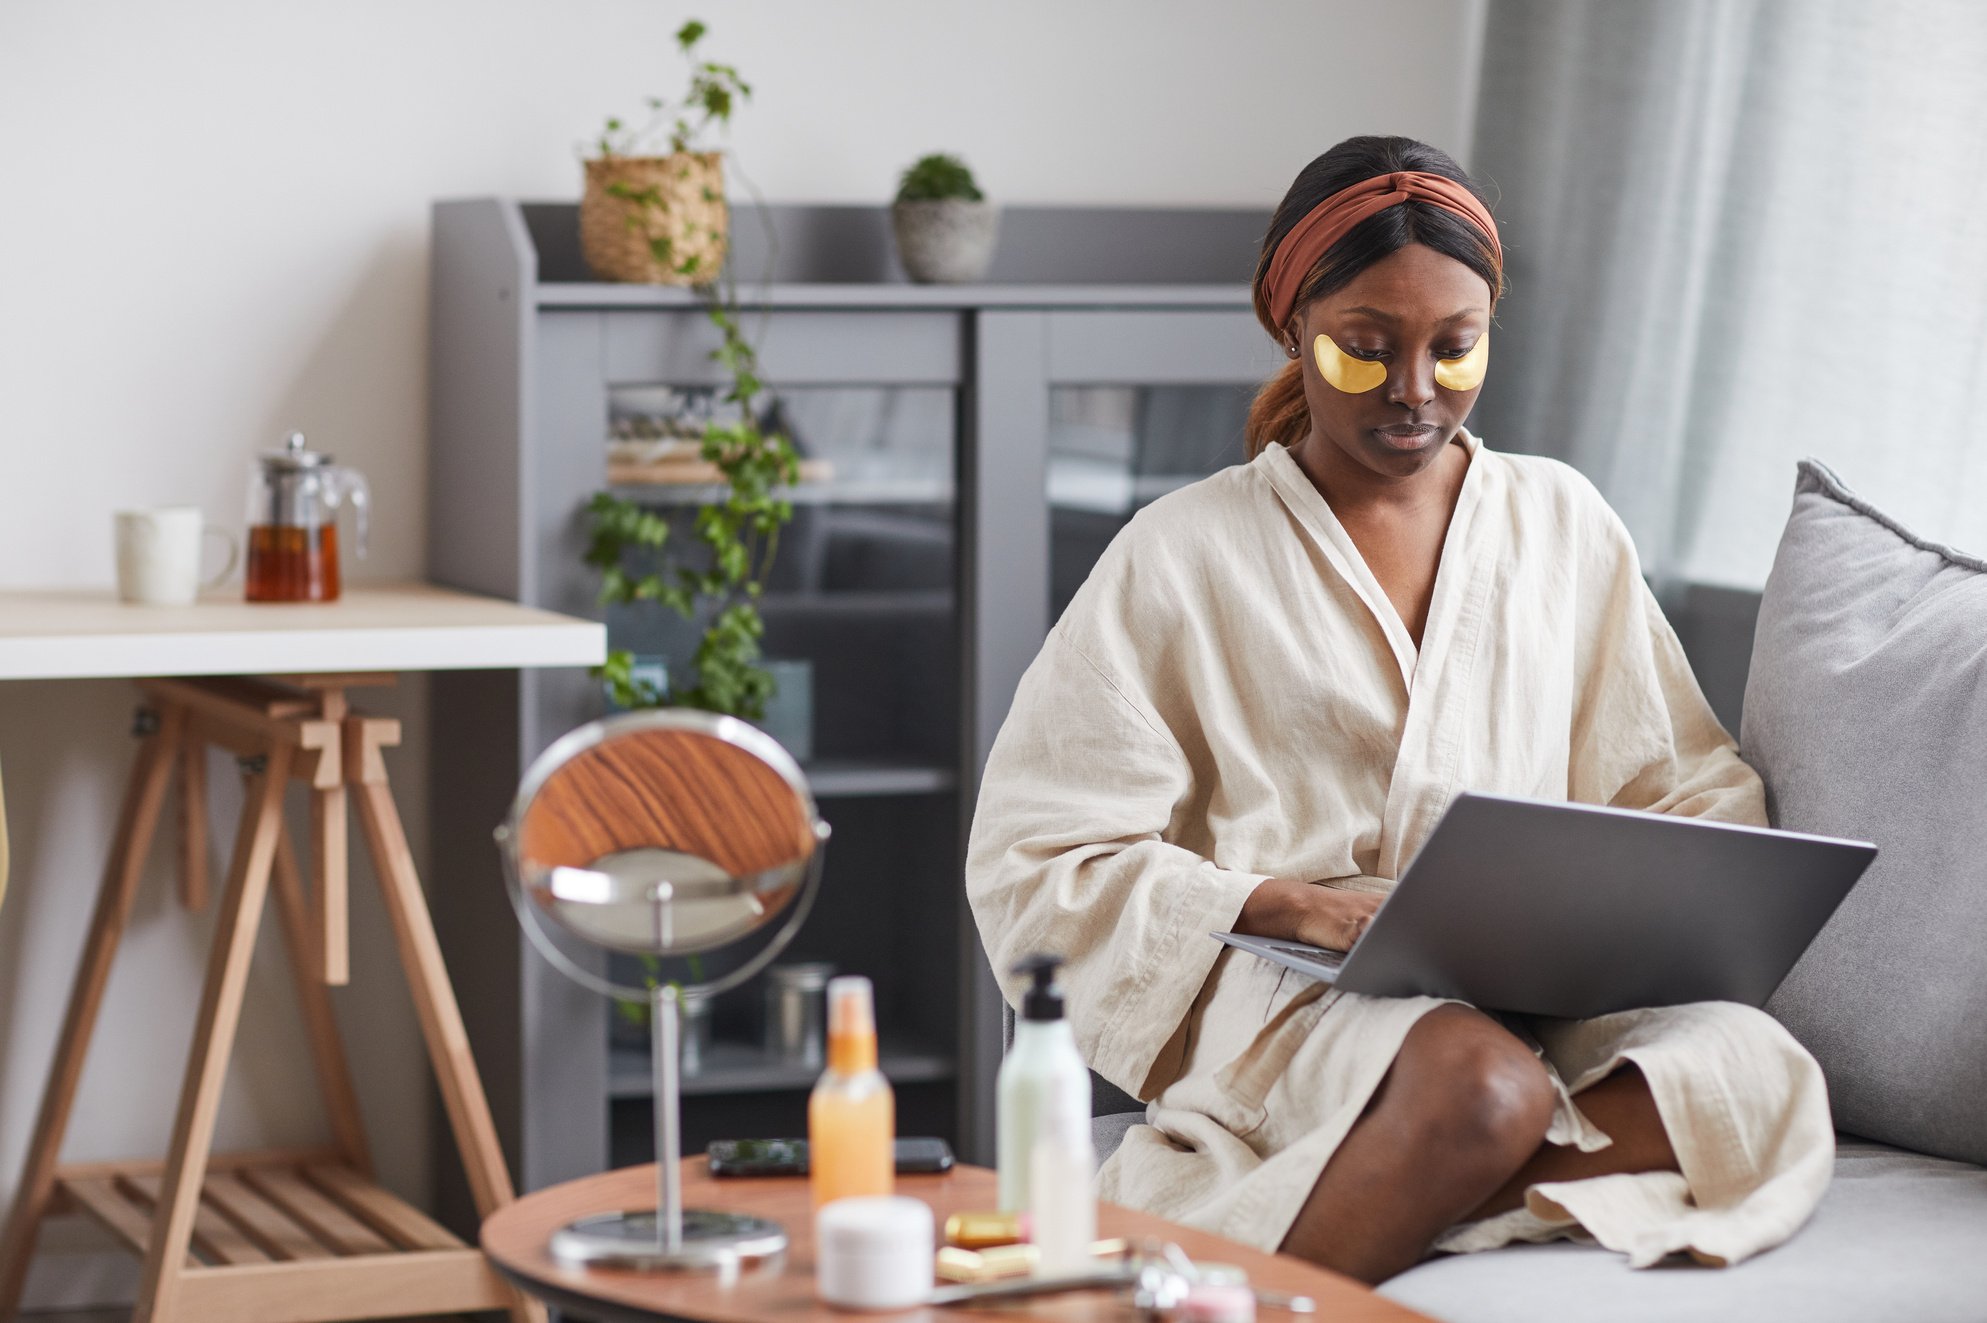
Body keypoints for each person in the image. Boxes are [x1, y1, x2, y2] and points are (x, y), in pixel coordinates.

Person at [964, 136, 1832, 1284]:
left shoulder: (1561, 522)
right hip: (1291, 990)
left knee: (1754, 1075)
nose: (1415, 391)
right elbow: (1036, 858)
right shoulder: (1181, 554)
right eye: (1366, 351)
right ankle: (1342, 1229)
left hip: (1540, 979)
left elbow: (1675, 773)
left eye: (1454, 349)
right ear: (1293, 328)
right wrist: (1284, 906)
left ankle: (1380, 1186)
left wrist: (1654, 897)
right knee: (1482, 1087)